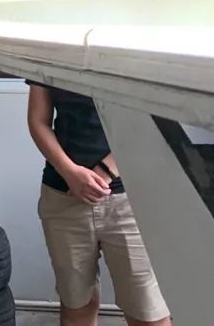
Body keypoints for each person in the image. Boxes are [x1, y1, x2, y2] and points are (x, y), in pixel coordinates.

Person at [27, 84, 171, 326]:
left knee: (148, 312)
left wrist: (104, 173)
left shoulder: (140, 58)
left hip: (131, 200)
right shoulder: (49, 59)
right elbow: (38, 121)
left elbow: (151, 121)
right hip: (64, 197)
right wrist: (69, 172)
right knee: (77, 307)